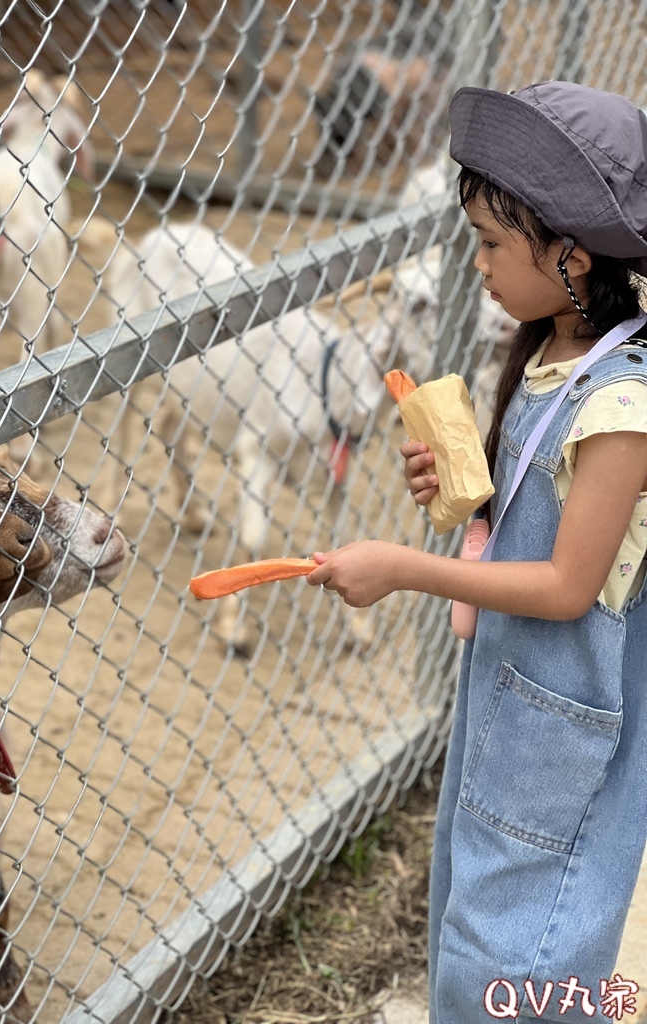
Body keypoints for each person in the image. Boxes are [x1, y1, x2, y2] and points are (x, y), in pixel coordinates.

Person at [307, 81, 647, 1022]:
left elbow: (569, 583)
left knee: (517, 967)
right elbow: (538, 515)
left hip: (563, 718)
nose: (479, 264)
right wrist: (463, 490)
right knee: (478, 927)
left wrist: (403, 569)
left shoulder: (622, 404)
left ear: (571, 257)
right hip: (511, 702)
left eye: (493, 243)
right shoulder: (549, 358)